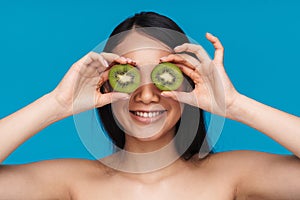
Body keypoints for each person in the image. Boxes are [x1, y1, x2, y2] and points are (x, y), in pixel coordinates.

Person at [0, 11, 300, 199]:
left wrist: (234, 105)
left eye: (163, 76)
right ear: (105, 84)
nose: (146, 95)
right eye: (128, 76)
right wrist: (57, 104)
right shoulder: (71, 183)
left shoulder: (233, 176)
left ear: (190, 82)